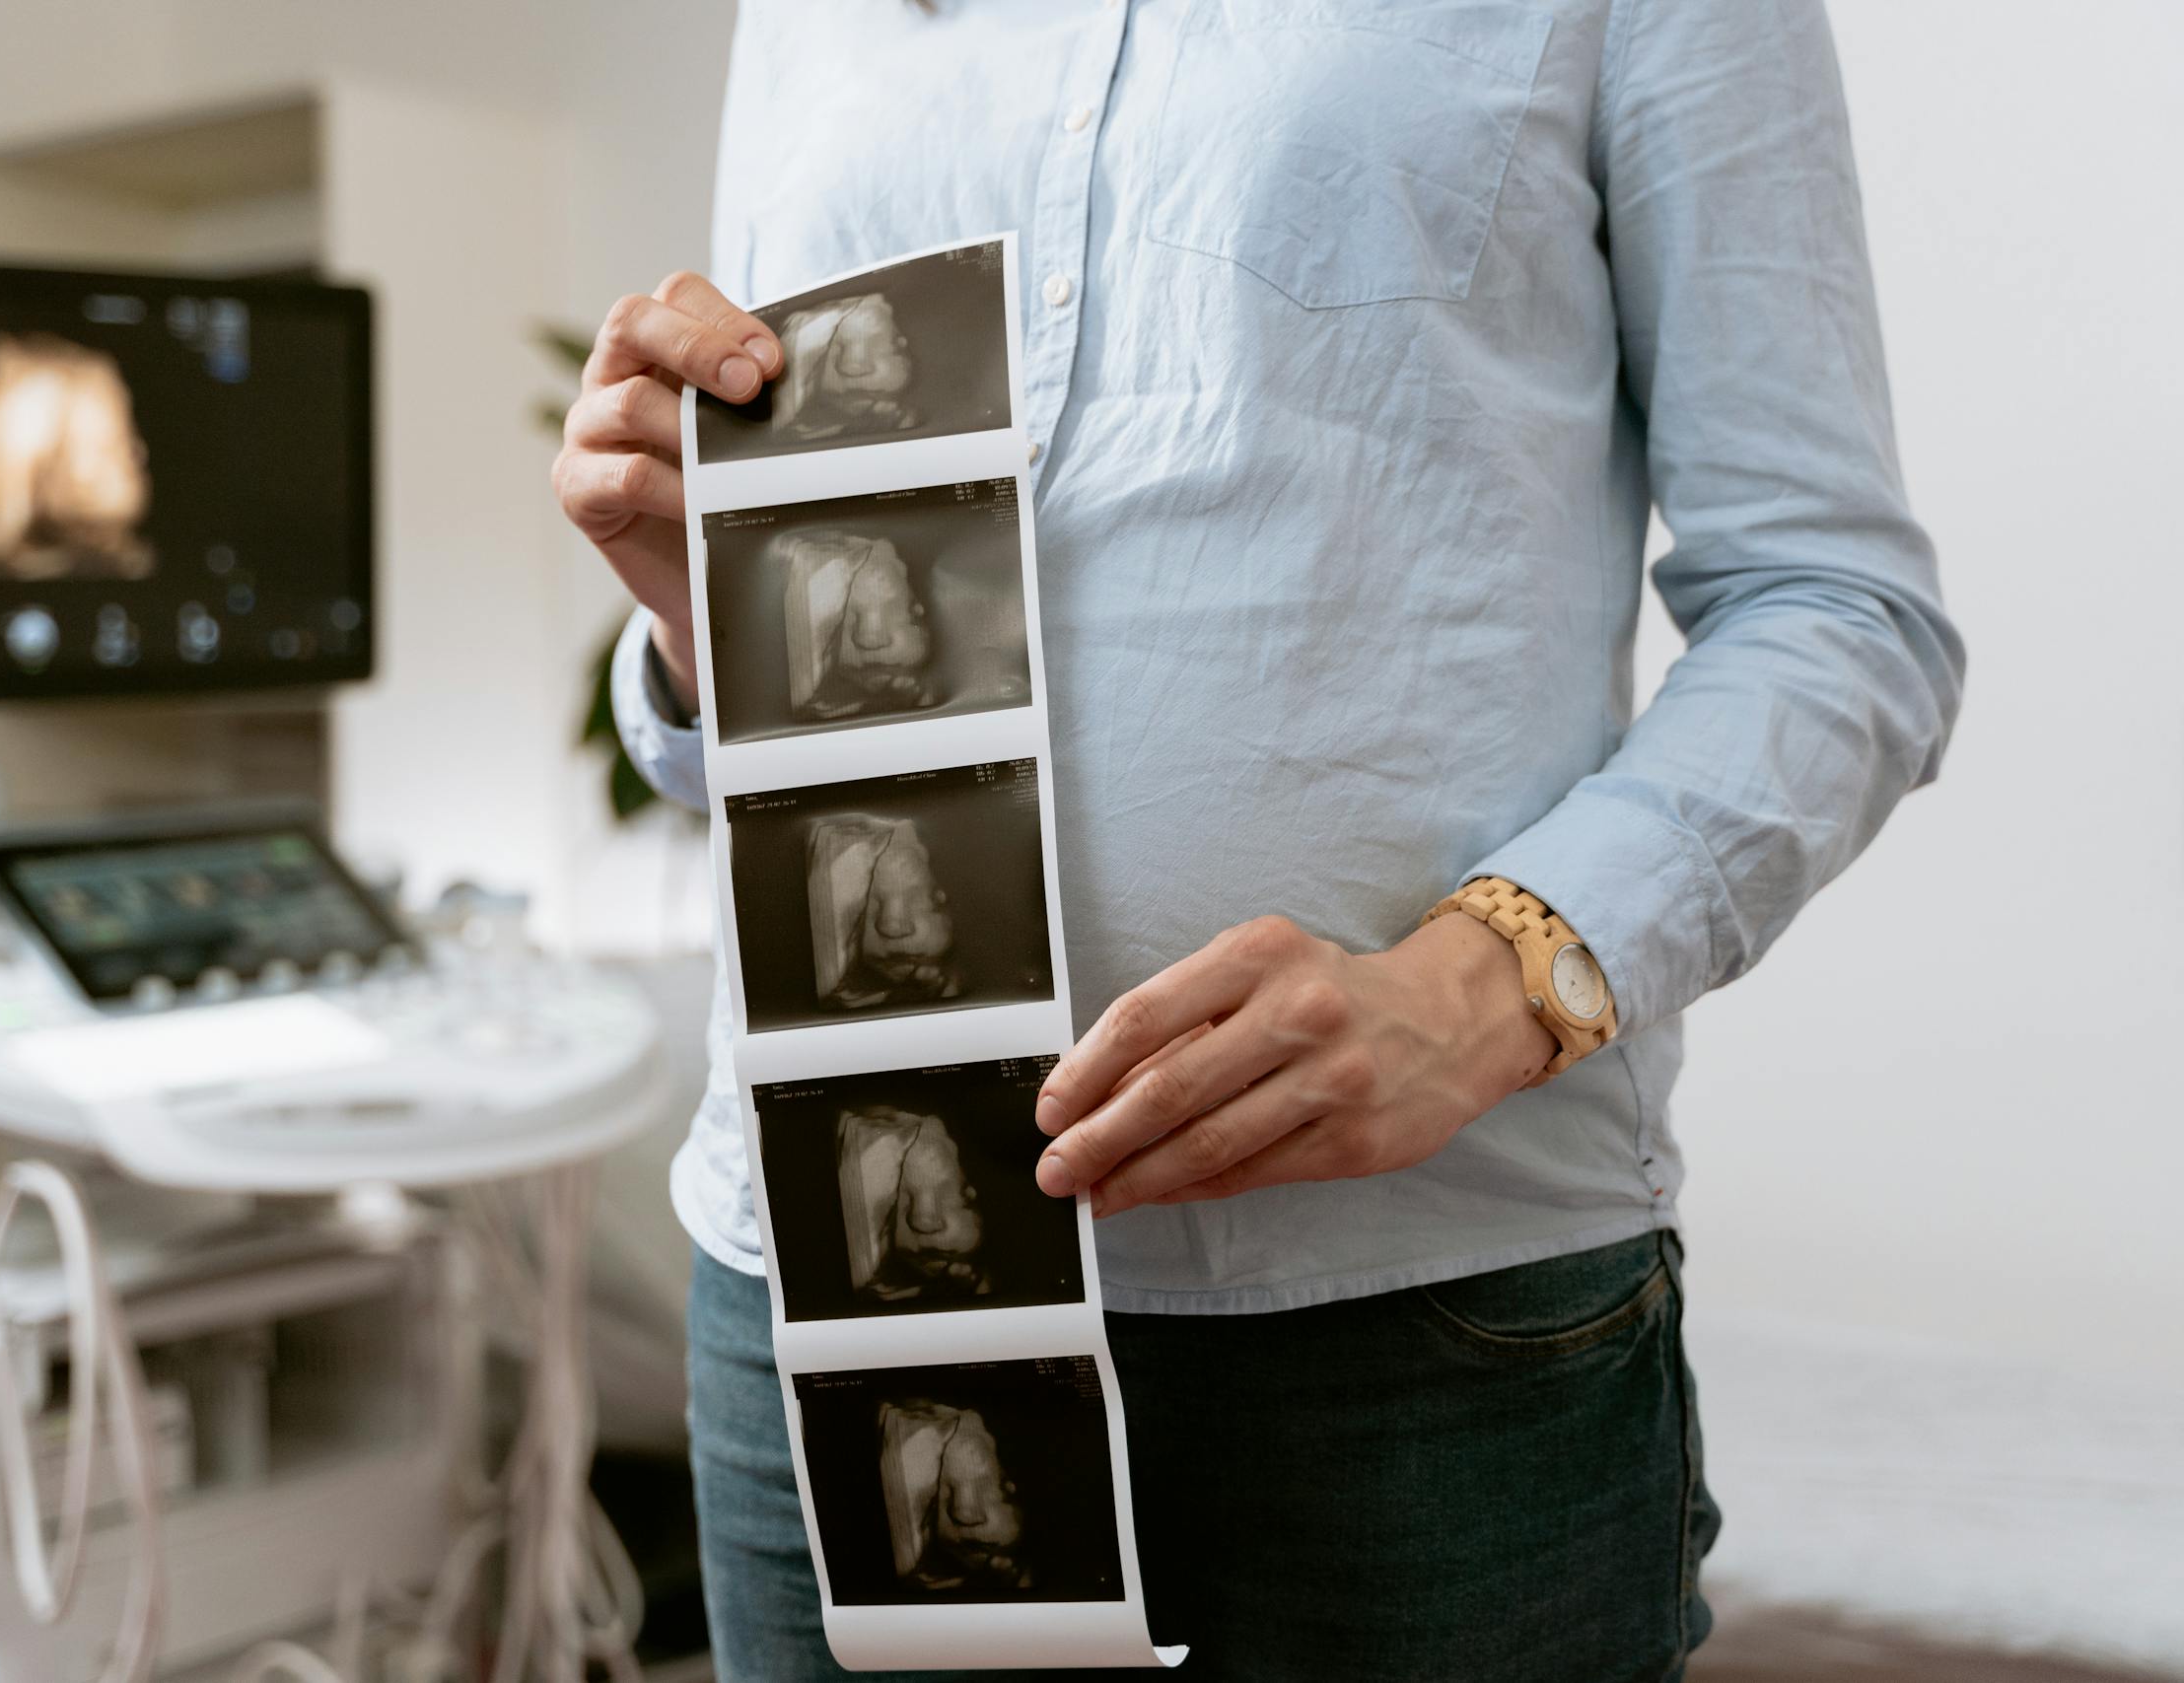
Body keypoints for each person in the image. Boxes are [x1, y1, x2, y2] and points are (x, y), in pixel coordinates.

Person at [553, 1, 1965, 1677]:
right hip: (824, 1297)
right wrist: (705, 627)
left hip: (1417, 1327)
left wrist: (1490, 981)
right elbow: (799, 695)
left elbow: (1838, 609)